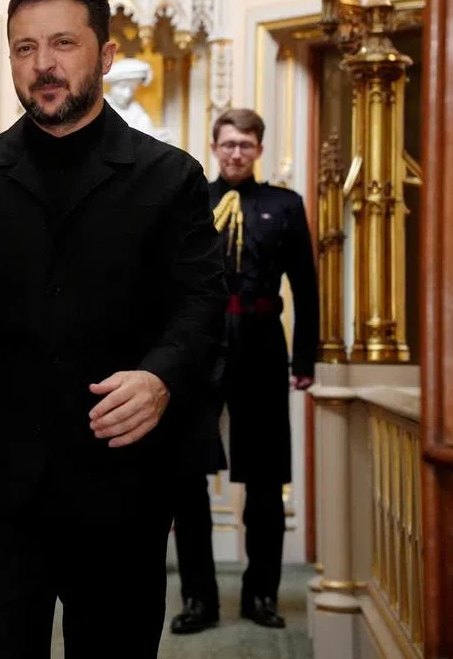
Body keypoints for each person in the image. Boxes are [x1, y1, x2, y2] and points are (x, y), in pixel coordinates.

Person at [0, 0, 227, 658]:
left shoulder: (171, 178)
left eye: (63, 43)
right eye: (24, 48)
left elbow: (202, 306)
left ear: (103, 55)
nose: (42, 64)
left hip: (123, 489)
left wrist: (161, 377)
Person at [168, 108, 319, 634]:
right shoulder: (192, 202)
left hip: (261, 346)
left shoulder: (285, 205)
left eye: (246, 145)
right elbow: (169, 285)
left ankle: (261, 595)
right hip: (199, 350)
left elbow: (305, 285)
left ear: (258, 149)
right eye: (228, 143)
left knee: (264, 477)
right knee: (187, 476)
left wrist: (304, 359)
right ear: (215, 146)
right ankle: (198, 599)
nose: (236, 153)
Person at [103, 57, 175, 144]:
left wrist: (158, 138)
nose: (127, 94)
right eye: (122, 87)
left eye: (132, 89)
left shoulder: (136, 110)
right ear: (111, 86)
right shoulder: (100, 108)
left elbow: (146, 134)